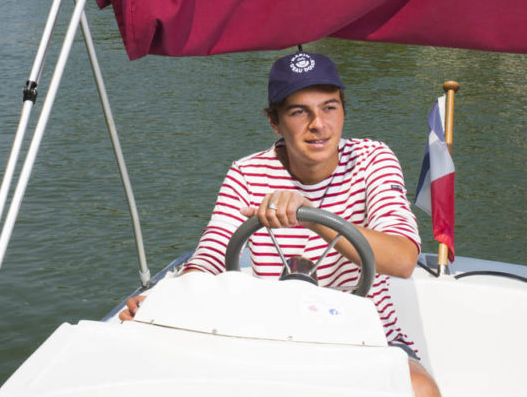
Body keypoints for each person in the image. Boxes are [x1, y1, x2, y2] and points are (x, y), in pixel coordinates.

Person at [120, 51, 441, 397]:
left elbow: (403, 259)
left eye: (329, 107)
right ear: (275, 122)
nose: (318, 124)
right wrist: (170, 297)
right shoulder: (246, 173)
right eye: (299, 112)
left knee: (419, 388)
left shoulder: (372, 160)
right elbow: (212, 254)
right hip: (271, 334)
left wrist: (314, 216)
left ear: (343, 111)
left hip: (367, 335)